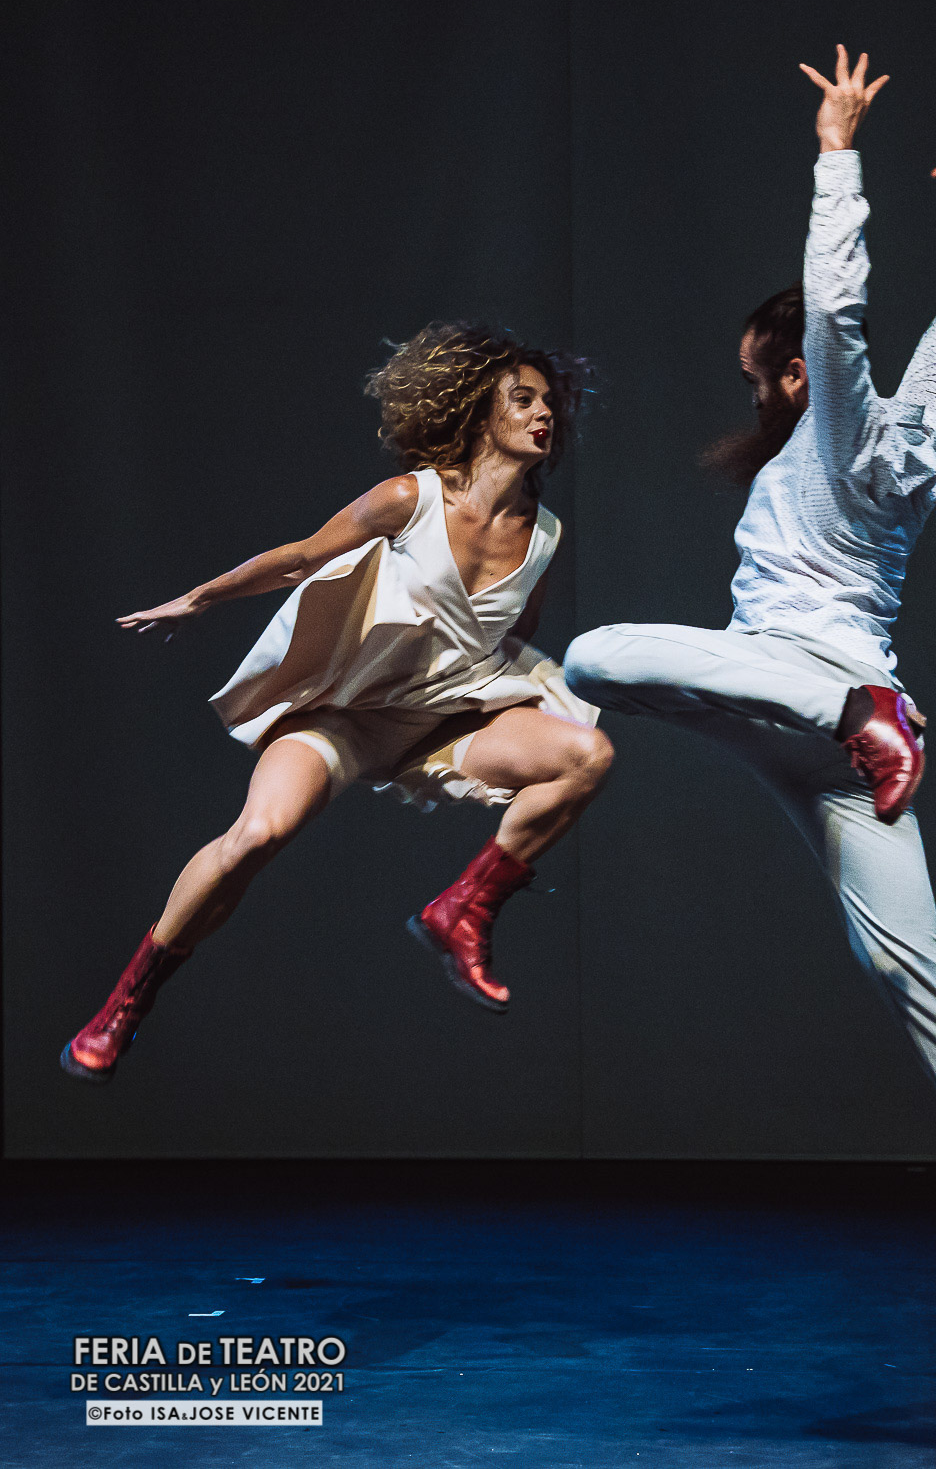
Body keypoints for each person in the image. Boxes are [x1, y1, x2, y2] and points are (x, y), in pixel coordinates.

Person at [563, 50, 936, 1376]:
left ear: (790, 374)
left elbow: (838, 305)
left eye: (760, 375)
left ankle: (859, 708)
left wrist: (835, 150)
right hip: (828, 735)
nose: (757, 392)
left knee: (594, 654)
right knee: (912, 974)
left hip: (816, 695)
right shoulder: (917, 419)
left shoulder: (834, 411)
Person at [62, 322, 612, 1081]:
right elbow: (300, 559)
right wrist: (201, 597)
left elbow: (516, 634)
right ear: (478, 411)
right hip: (344, 720)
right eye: (522, 399)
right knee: (256, 836)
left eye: (549, 402)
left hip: (441, 724)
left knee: (586, 755)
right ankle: (131, 997)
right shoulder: (410, 498)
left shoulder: (543, 534)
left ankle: (464, 910)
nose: (542, 412)